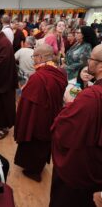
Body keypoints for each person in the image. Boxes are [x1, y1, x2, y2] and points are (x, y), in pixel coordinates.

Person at [49, 44, 102, 207]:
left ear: (100, 65)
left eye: (91, 58)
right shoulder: (92, 93)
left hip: (80, 169)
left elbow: (65, 129)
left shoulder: (92, 97)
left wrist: (69, 107)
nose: (88, 62)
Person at [14, 44, 67, 182]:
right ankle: (38, 167)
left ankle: (33, 171)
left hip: (37, 118)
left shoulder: (39, 77)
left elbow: (27, 101)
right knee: (43, 144)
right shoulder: (59, 72)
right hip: (53, 114)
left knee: (34, 142)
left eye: (34, 56)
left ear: (41, 57)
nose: (33, 59)